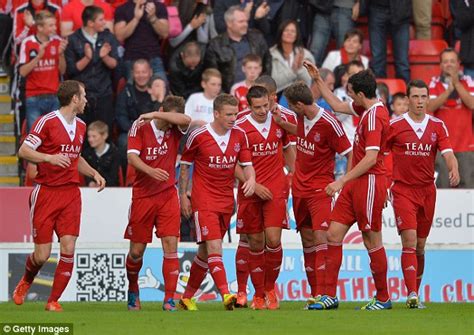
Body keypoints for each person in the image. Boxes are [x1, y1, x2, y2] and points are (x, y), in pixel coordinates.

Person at [12, 80, 106, 312]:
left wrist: (94, 172)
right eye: (83, 96)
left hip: (71, 193)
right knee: (42, 255)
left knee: (69, 245)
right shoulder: (47, 122)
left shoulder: (82, 126)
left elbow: (75, 158)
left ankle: (53, 301)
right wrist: (48, 158)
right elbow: (23, 150)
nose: (86, 100)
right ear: (74, 98)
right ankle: (25, 281)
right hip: (46, 192)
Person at [305, 61, 392, 310]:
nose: (348, 96)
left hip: (369, 181)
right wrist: (318, 80)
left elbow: (371, 158)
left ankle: (384, 298)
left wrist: (341, 180)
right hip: (355, 183)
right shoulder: (366, 109)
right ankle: (330, 296)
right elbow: (337, 105)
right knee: (333, 234)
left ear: (361, 94)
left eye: (351, 92)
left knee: (371, 239)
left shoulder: (375, 117)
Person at [274, 81, 352, 309]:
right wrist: (281, 123)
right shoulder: (300, 118)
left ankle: (326, 295)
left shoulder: (330, 123)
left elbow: (350, 152)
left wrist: (342, 182)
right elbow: (301, 131)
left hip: (321, 189)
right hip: (299, 189)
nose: (289, 109)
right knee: (307, 240)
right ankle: (315, 294)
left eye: (290, 105)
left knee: (322, 238)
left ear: (299, 104)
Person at [178, 94, 256, 311]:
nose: (234, 118)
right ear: (216, 114)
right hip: (204, 200)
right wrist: (183, 195)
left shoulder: (240, 135)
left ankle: (186, 298)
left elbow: (247, 164)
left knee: (205, 253)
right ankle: (226, 295)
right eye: (229, 114)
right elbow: (185, 164)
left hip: (225, 200)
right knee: (215, 247)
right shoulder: (199, 136)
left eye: (236, 114)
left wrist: (251, 179)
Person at [387, 80, 459, 308]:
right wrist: (385, 181)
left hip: (427, 191)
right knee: (408, 241)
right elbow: (380, 153)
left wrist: (453, 167)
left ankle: (415, 291)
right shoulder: (395, 125)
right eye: (415, 97)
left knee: (420, 245)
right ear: (407, 99)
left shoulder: (437, 125)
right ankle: (411, 295)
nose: (419, 102)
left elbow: (448, 152)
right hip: (403, 190)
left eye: (423, 97)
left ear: (428, 99)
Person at [233, 74, 296, 305]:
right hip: (250, 190)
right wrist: (252, 184)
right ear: (249, 106)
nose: (262, 111)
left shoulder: (280, 121)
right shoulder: (239, 126)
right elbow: (231, 163)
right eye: (257, 107)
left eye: (265, 106)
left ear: (271, 101)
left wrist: (295, 175)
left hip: (277, 188)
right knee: (256, 242)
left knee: (273, 239)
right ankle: (258, 294)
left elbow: (289, 150)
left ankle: (270, 288)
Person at [124, 95, 191, 311]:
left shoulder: (174, 126)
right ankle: (133, 290)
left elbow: (186, 119)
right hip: (143, 196)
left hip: (167, 196)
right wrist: (151, 170)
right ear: (163, 110)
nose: (172, 125)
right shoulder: (140, 126)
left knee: (171, 247)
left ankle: (169, 299)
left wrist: (156, 114)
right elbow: (132, 157)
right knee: (136, 252)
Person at [65, 5, 120, 129]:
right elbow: (71, 70)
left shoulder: (108, 37)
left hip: (104, 94)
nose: (104, 22)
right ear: (90, 23)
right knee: (81, 137)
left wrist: (104, 57)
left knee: (105, 134)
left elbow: (115, 64)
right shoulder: (73, 39)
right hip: (82, 96)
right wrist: (87, 58)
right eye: (101, 19)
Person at [427, 48, 474, 188]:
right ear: (440, 65)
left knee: (468, 191)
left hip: (466, 145)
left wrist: (456, 84)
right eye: (445, 61)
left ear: (459, 63)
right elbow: (429, 107)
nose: (449, 64)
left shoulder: (468, 80)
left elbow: (472, 103)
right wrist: (448, 90)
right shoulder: (434, 82)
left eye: (452, 61)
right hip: (442, 148)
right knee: (443, 189)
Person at [19, 10, 67, 133]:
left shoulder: (57, 42)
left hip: (54, 96)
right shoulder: (28, 42)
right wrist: (39, 56)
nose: (55, 28)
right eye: (50, 25)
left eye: (55, 25)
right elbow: (22, 72)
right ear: (40, 27)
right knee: (34, 137)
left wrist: (61, 55)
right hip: (33, 97)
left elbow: (62, 71)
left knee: (53, 135)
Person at [205, 5, 271, 93]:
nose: (245, 24)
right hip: (230, 96)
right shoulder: (215, 45)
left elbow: (267, 63)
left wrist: (263, 89)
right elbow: (212, 75)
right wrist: (225, 99)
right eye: (241, 22)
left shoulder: (257, 37)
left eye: (246, 21)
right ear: (229, 23)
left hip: (257, 93)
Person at [114, 0, 169, 81]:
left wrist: (153, 18)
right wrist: (136, 18)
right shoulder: (122, 9)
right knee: (133, 92)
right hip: (131, 59)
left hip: (154, 57)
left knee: (162, 90)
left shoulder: (158, 7)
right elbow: (120, 36)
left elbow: (165, 33)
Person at [270, 19, 315, 93]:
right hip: (278, 97)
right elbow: (273, 83)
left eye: (293, 31)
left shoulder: (305, 55)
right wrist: (293, 71)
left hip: (301, 96)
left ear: (296, 35)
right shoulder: (271, 54)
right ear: (281, 32)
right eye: (286, 30)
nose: (289, 33)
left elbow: (308, 82)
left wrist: (299, 69)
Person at [82, 120, 120, 187]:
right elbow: (86, 173)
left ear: (104, 135)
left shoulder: (115, 153)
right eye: (89, 136)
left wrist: (101, 183)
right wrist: (90, 182)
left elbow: (114, 176)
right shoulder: (87, 153)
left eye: (94, 136)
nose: (90, 139)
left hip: (110, 190)